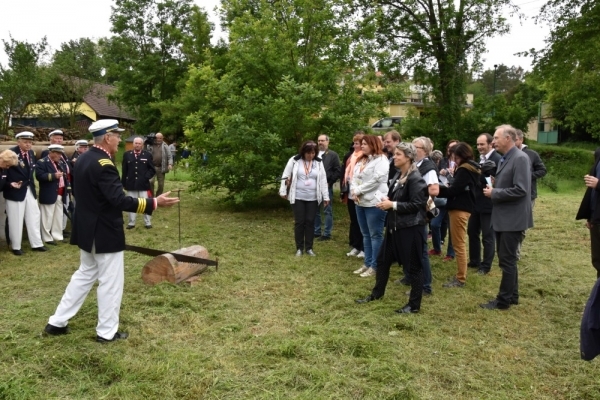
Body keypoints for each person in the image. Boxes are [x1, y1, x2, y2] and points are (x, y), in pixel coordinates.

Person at [44, 119, 179, 343]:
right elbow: (119, 200)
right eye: (117, 136)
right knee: (111, 282)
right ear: (107, 138)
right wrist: (154, 203)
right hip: (104, 231)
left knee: (84, 275)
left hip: (87, 229)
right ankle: (106, 332)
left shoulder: (84, 158)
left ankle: (57, 322)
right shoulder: (104, 164)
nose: (119, 140)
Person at [355, 142, 428, 313]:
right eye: (394, 154)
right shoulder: (398, 175)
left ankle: (414, 305)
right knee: (382, 261)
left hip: (410, 229)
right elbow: (396, 198)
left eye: (398, 155)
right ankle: (377, 294)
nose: (394, 157)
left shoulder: (415, 178)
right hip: (394, 228)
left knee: (413, 267)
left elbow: (417, 204)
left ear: (409, 157)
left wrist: (392, 205)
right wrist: (386, 200)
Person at [481, 124, 532, 310]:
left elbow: (521, 189)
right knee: (506, 258)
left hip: (513, 218)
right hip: (504, 216)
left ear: (508, 138)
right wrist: (497, 183)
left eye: (496, 138)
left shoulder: (520, 158)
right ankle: (513, 296)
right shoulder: (505, 158)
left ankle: (503, 301)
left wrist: (495, 192)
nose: (493, 141)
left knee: (507, 260)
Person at [437, 143, 481, 288]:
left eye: (455, 156)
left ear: (460, 155)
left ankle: (461, 278)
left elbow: (454, 190)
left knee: (458, 244)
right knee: (459, 243)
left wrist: (435, 190)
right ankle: (460, 274)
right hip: (464, 207)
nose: (453, 159)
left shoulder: (464, 169)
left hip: (460, 208)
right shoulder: (472, 167)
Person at [279, 141, 330, 256]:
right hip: (298, 197)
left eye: (312, 153)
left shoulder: (318, 162)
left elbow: (323, 179)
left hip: (313, 198)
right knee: (299, 222)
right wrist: (283, 190)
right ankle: (299, 248)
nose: (310, 156)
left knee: (310, 222)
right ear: (303, 152)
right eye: (308, 153)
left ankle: (309, 248)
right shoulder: (295, 160)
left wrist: (326, 196)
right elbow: (285, 175)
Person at [351, 135, 389, 277]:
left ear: (373, 144)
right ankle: (367, 263)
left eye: (365, 144)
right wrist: (353, 190)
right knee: (365, 234)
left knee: (375, 235)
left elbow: (376, 180)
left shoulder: (382, 160)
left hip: (374, 203)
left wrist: (359, 190)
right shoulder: (363, 159)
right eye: (362, 144)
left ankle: (375, 266)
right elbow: (353, 177)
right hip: (360, 202)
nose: (362, 146)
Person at [5, 131, 47, 255]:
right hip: (15, 190)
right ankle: (16, 246)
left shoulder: (31, 153)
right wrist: (9, 184)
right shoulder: (11, 152)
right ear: (18, 142)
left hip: (29, 188)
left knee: (34, 215)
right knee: (16, 218)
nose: (28, 144)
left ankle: (36, 243)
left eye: (30, 142)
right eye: (25, 142)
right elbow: (4, 170)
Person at [405, 136, 438, 294]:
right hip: (410, 211)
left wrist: (417, 198)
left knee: (421, 250)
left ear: (424, 151)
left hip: (420, 212)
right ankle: (410, 277)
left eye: (415, 147)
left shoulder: (428, 167)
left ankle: (425, 285)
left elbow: (433, 190)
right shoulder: (413, 165)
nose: (411, 149)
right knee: (410, 246)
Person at [468, 133, 501, 275]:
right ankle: (475, 260)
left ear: (490, 144)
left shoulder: (497, 159)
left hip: (489, 203)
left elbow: (494, 180)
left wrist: (479, 175)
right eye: (478, 144)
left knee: (488, 236)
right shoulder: (480, 159)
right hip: (476, 201)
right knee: (472, 231)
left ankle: (486, 266)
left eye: (482, 144)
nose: (479, 147)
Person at [35, 144, 71, 245]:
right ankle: (47, 237)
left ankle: (57, 235)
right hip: (49, 192)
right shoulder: (42, 162)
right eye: (58, 153)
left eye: (60, 153)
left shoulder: (60, 163)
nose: (60, 156)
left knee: (58, 216)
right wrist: (53, 176)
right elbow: (39, 176)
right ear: (51, 153)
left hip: (60, 192)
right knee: (47, 216)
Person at [576, 147, 600, 278]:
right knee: (598, 261)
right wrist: (590, 216)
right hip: (597, 218)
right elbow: (593, 193)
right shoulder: (599, 153)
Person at [341, 132, 365, 258]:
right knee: (354, 221)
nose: (355, 146)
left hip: (360, 193)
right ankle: (355, 245)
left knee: (361, 222)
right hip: (350, 191)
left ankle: (363, 248)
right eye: (354, 143)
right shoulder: (351, 156)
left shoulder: (364, 157)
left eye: (357, 144)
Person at [123, 137, 156, 229]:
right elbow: (124, 170)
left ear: (142, 145)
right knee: (131, 203)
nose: (137, 145)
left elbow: (152, 169)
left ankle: (147, 222)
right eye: (136, 143)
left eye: (139, 143)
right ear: (133, 144)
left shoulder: (147, 155)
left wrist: (146, 177)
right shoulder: (127, 155)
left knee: (145, 203)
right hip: (131, 183)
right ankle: (131, 222)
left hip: (143, 184)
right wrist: (123, 183)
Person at [314, 134, 341, 241]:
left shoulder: (332, 155)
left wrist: (330, 182)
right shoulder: (314, 154)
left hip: (326, 186)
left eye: (322, 141)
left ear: (327, 142)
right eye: (319, 140)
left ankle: (327, 233)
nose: (320, 142)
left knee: (327, 210)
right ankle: (316, 231)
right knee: (315, 210)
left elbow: (338, 170)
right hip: (314, 187)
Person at [0, 150, 19, 243]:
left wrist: (10, 184)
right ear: (2, 160)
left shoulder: (3, 169)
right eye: (7, 165)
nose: (8, 167)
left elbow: (2, 184)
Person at [147, 132, 173, 197]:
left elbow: (170, 156)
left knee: (161, 185)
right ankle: (152, 197)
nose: (159, 139)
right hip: (152, 167)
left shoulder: (165, 146)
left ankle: (159, 197)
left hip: (161, 167)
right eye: (157, 138)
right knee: (150, 182)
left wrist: (170, 164)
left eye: (160, 138)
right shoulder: (150, 145)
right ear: (155, 138)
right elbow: (145, 148)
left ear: (162, 138)